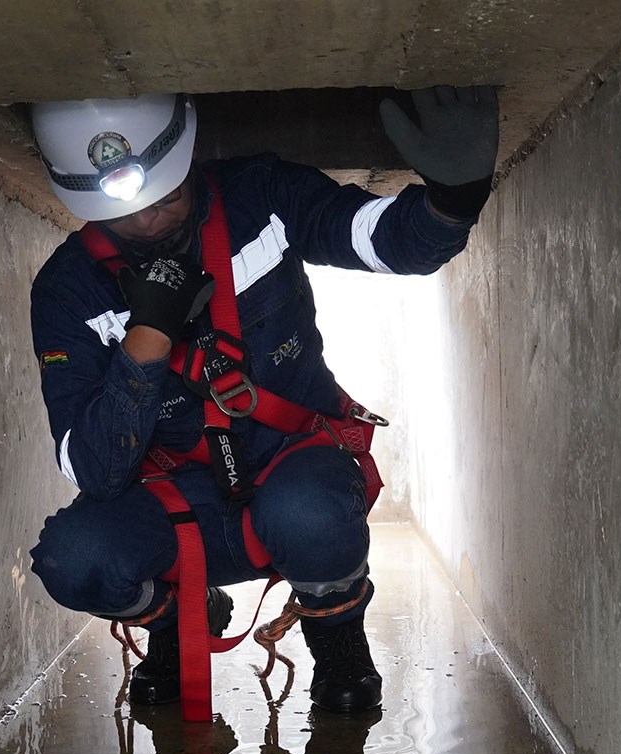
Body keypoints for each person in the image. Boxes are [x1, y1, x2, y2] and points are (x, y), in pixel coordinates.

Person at [26, 87, 498, 714]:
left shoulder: (261, 196)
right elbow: (94, 471)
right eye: (123, 210)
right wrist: (146, 341)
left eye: (162, 195)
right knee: (72, 559)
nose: (144, 221)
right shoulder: (67, 291)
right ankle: (179, 621)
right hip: (176, 496)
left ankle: (338, 646)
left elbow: (378, 238)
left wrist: (453, 200)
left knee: (311, 512)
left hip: (290, 463)